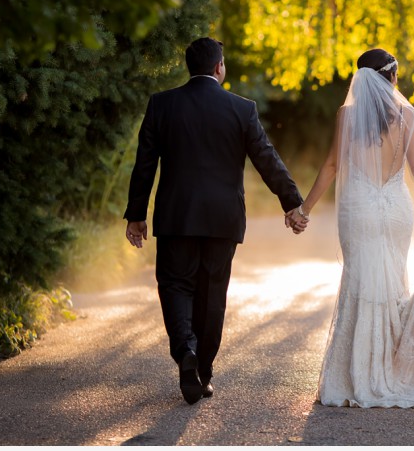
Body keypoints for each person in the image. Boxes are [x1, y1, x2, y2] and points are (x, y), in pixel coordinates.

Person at [123, 37, 308, 405]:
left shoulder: (162, 105)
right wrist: (292, 203)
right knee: (212, 295)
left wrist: (136, 214)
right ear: (219, 67)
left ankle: (186, 352)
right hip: (224, 219)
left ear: (189, 67)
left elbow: (145, 163)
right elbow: (266, 158)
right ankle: (202, 371)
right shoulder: (241, 109)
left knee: (175, 285)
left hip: (176, 216)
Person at [298, 48, 414, 408]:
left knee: (359, 283)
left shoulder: (347, 115)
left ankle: (352, 376)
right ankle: (392, 371)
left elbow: (330, 166)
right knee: (391, 285)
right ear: (392, 77)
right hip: (395, 208)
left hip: (359, 205)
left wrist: (305, 209)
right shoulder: (408, 115)